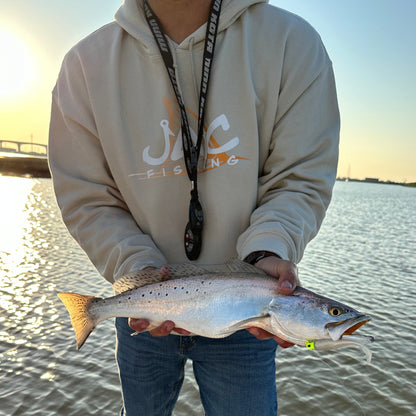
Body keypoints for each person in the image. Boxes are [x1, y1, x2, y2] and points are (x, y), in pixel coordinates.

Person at [49, 0, 339, 414]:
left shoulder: (294, 43)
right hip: (142, 314)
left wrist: (267, 250)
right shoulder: (83, 65)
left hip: (248, 310)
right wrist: (138, 270)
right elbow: (87, 196)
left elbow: (300, 176)